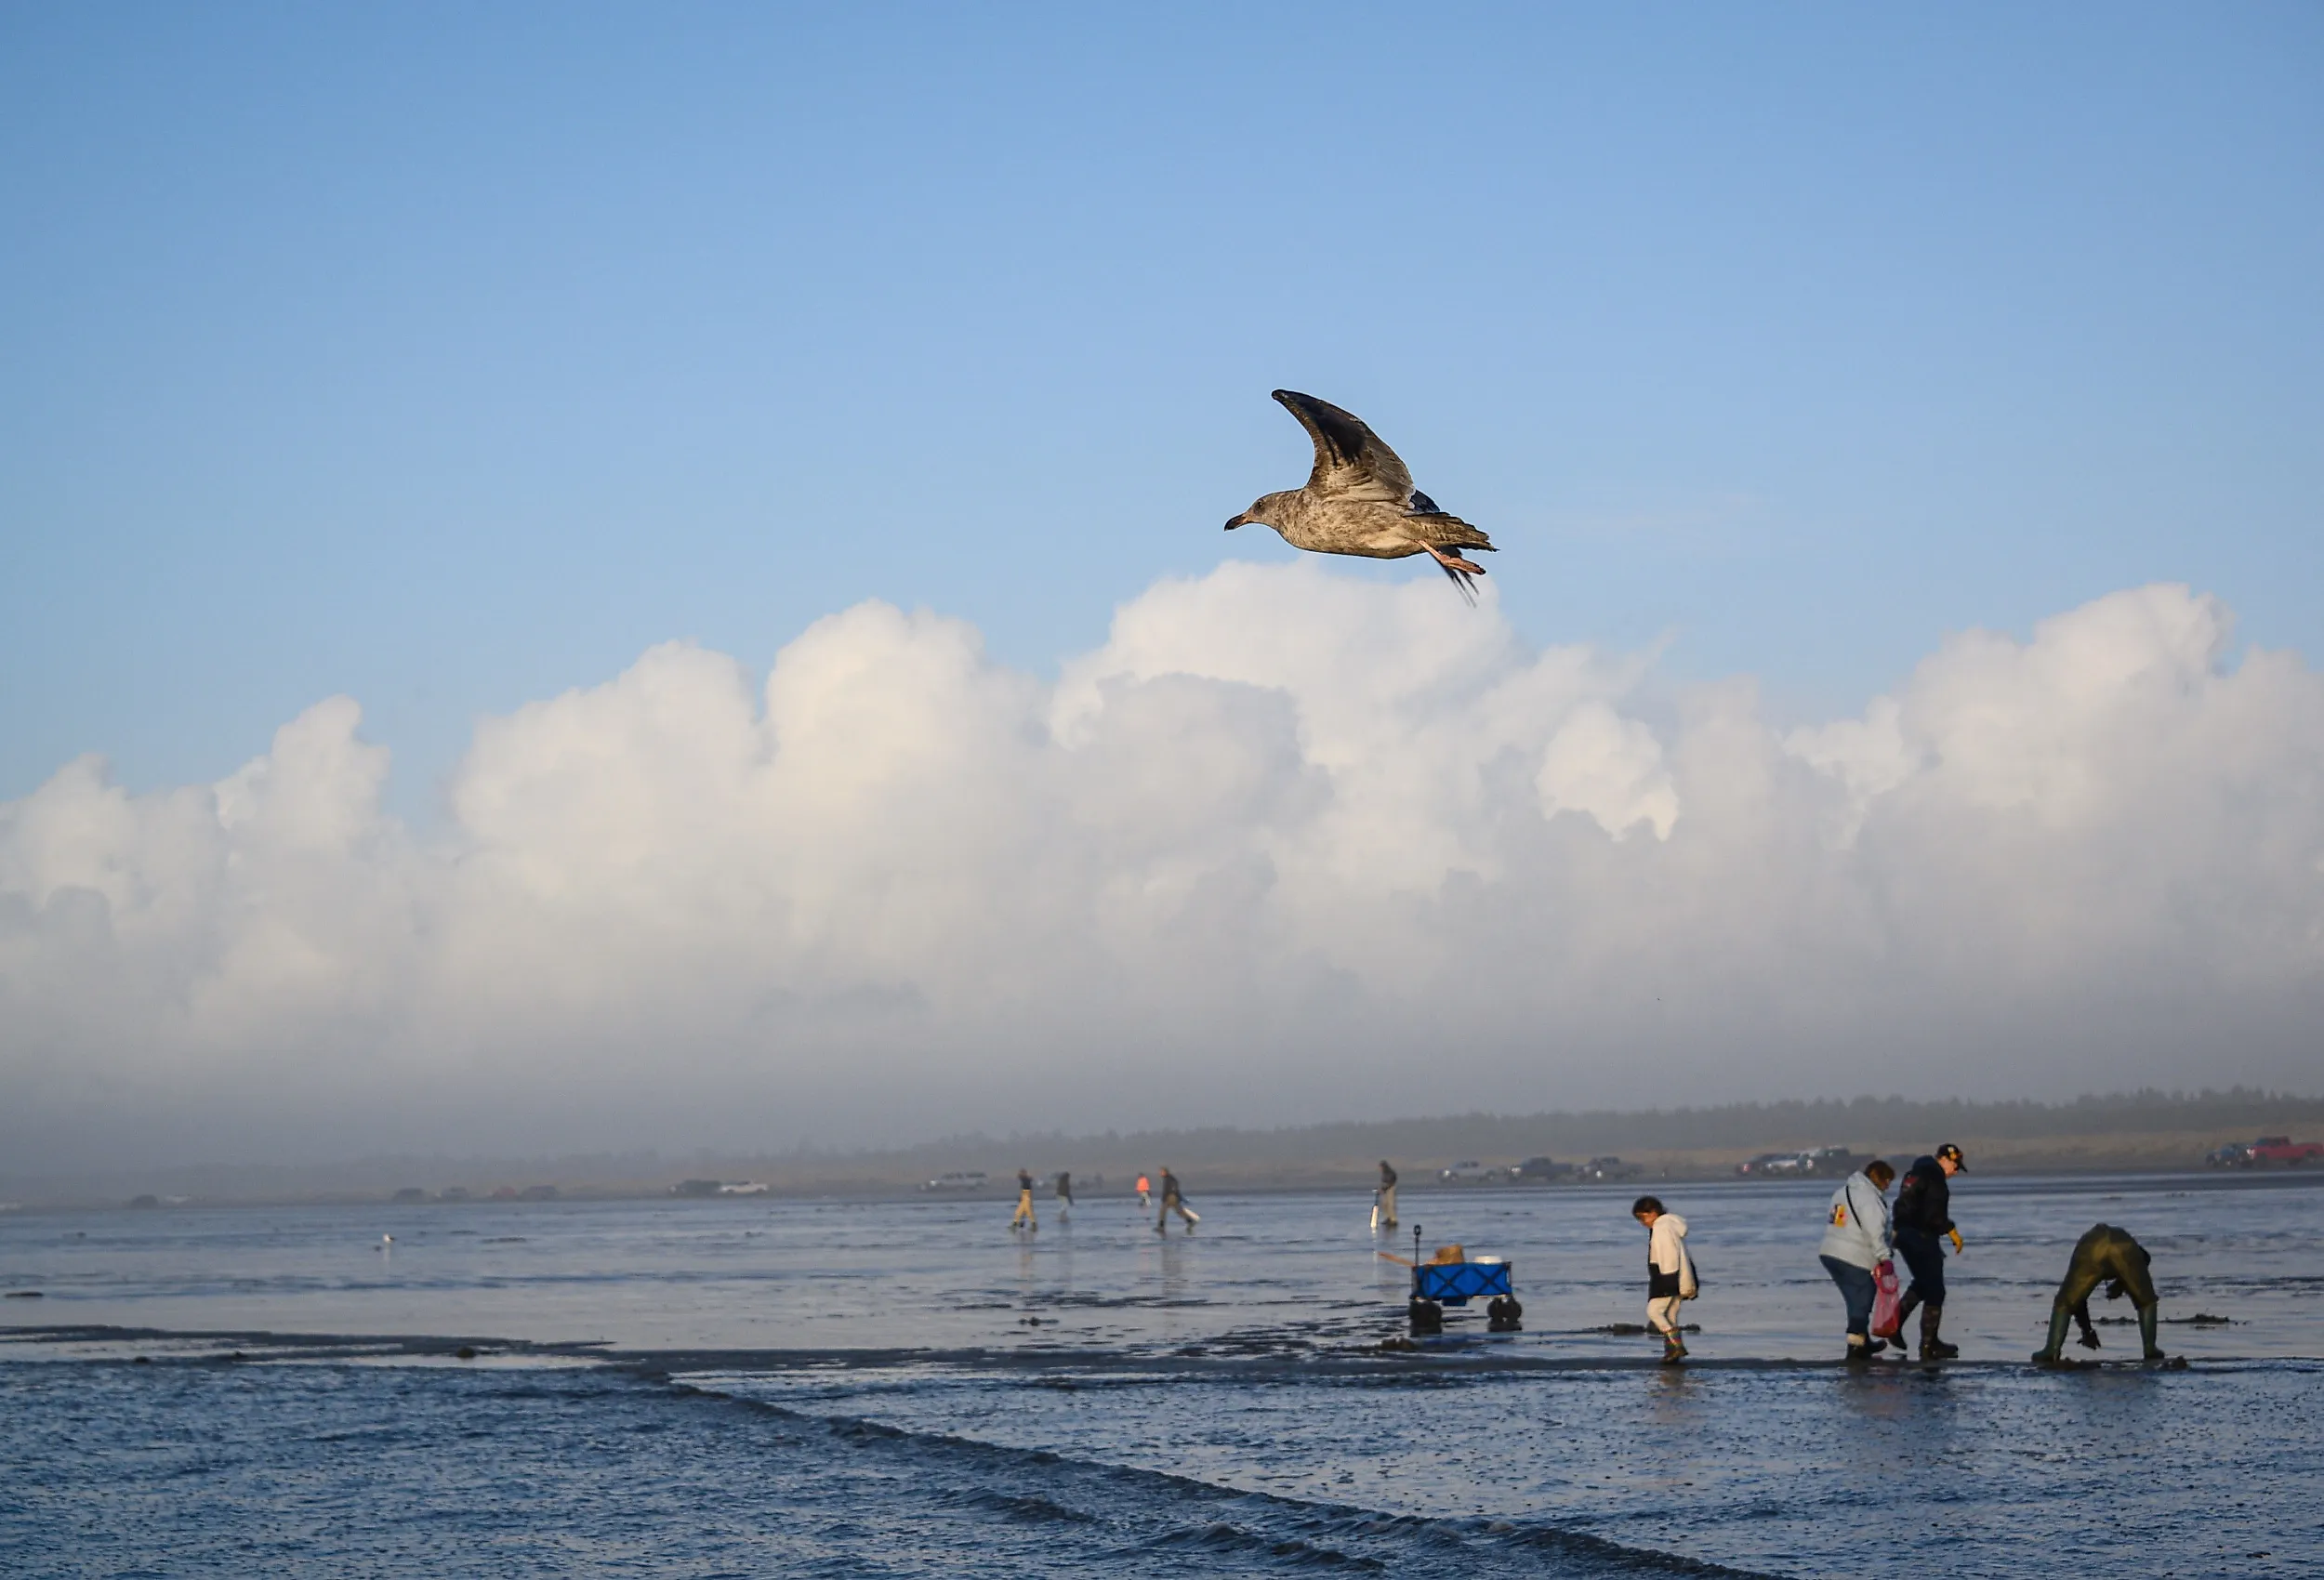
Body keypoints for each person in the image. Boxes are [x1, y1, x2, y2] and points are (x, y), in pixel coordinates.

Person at [2033, 1223, 2166, 1364]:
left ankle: (2052, 1349)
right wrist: (2087, 1331)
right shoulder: (2134, 1249)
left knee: (2065, 1303)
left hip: (2092, 1249)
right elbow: (2144, 1260)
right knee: (2146, 1301)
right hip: (2124, 1247)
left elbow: (2077, 1302)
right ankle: (2150, 1348)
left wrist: (2087, 1332)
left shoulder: (2084, 1247)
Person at [1818, 1159, 1896, 1363]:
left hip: (1830, 1253)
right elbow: (1875, 1232)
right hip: (1852, 1256)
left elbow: (1837, 1221)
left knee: (1854, 1298)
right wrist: (1884, 1257)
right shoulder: (1870, 1199)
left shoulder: (1841, 1192)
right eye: (1888, 1180)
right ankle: (1855, 1348)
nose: (1888, 1186)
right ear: (1880, 1178)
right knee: (1863, 1297)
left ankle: (1862, 1341)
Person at [1892, 1143, 1965, 1360]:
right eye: (1955, 1165)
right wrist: (1950, 1229)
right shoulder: (1935, 1178)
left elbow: (1904, 1206)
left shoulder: (1914, 1173)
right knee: (1935, 1290)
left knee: (1923, 1283)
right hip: (1921, 1237)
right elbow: (1934, 1215)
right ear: (1943, 1159)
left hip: (1904, 1235)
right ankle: (1929, 1345)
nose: (1956, 1171)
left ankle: (1895, 1326)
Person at [1631, 1196, 1696, 1363]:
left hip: (1668, 1277)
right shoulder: (1669, 1225)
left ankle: (1677, 1345)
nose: (1642, 1222)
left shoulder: (1662, 1228)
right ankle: (1671, 1353)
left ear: (1653, 1213)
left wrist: (1667, 1281)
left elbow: (1669, 1256)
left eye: (1642, 1217)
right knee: (1671, 1314)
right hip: (1679, 1276)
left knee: (1654, 1311)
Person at [1155, 1166, 1198, 1233]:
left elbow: (1169, 1189)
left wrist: (1165, 1198)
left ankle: (1161, 1227)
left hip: (1170, 1197)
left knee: (1162, 1212)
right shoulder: (1170, 1178)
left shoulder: (1169, 1179)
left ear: (1165, 1172)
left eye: (1161, 1172)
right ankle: (1190, 1221)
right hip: (1173, 1197)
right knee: (1179, 1212)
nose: (1160, 1173)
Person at [1010, 1167, 1037, 1232]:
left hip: (1026, 1196)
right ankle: (1014, 1225)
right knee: (1019, 1211)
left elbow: (1026, 1188)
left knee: (1028, 1211)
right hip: (1025, 1196)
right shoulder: (1026, 1179)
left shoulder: (1025, 1179)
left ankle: (1034, 1225)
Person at [1377, 1160, 1399, 1230]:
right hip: (1385, 1190)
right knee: (1384, 1204)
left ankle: (1393, 1219)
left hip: (1390, 1189)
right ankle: (1388, 1218)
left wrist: (1384, 1188)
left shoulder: (1390, 1173)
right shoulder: (1384, 1173)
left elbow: (1390, 1182)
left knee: (1391, 1205)